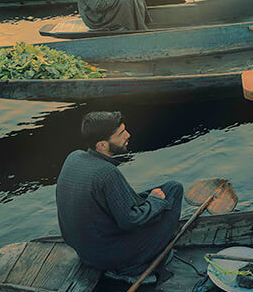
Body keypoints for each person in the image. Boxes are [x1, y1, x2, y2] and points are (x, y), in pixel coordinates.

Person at [55, 111, 184, 281]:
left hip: (84, 250)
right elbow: (130, 221)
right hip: (108, 256)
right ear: (102, 145)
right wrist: (155, 202)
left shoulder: (74, 157)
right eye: (121, 134)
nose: (128, 135)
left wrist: (151, 201)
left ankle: (126, 258)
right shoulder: (107, 173)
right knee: (175, 192)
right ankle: (132, 266)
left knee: (170, 188)